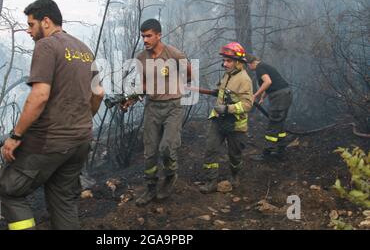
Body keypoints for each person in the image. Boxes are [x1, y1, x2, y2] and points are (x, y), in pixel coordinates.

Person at [0, 0, 104, 230]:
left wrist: (15, 136)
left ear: (46, 21)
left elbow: (40, 96)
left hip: (49, 142)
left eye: (31, 24)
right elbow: (99, 93)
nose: (28, 29)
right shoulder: (84, 50)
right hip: (80, 141)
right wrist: (82, 122)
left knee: (9, 191)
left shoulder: (46, 45)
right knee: (63, 200)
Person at [122, 19, 192, 206]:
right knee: (150, 152)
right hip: (152, 107)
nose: (145, 39)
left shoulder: (174, 54)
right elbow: (144, 84)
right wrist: (131, 99)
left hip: (172, 107)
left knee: (167, 147)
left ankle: (170, 176)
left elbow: (190, 74)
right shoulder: (141, 58)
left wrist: (176, 83)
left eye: (149, 35)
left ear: (159, 35)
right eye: (143, 36)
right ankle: (151, 188)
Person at [199, 42, 253, 193]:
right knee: (211, 150)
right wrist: (217, 92)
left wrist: (227, 108)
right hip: (218, 120)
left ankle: (235, 175)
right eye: (224, 60)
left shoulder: (244, 79)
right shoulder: (227, 74)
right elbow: (225, 92)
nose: (225, 64)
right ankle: (211, 182)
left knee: (235, 155)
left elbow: (247, 105)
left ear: (238, 62)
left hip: (236, 124)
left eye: (228, 61)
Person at [246, 54, 292, 161]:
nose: (248, 68)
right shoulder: (264, 66)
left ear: (251, 63)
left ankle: (267, 154)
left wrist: (255, 95)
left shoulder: (259, 68)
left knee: (274, 122)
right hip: (285, 94)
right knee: (279, 124)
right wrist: (263, 97)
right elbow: (272, 83)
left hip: (280, 96)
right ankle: (281, 151)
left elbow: (268, 82)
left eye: (247, 65)